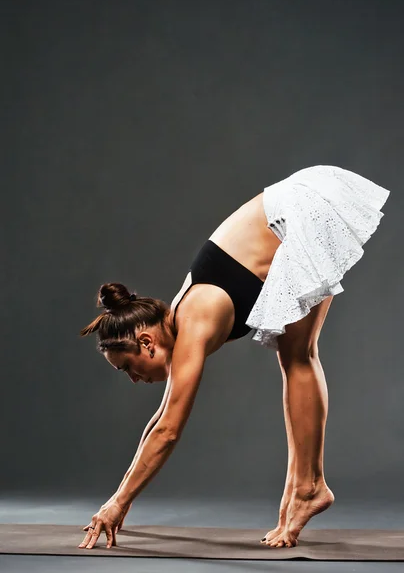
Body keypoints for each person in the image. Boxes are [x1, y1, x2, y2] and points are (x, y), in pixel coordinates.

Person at [78, 164, 390, 550]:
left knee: (298, 357)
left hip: (300, 207)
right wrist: (121, 497)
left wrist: (117, 501)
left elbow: (169, 430)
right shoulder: (182, 320)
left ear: (146, 343)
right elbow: (159, 420)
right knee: (298, 355)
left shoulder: (193, 320)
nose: (133, 378)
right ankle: (304, 488)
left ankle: (307, 487)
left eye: (127, 367)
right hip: (302, 203)